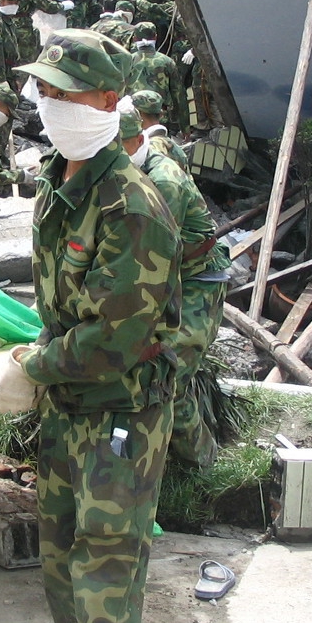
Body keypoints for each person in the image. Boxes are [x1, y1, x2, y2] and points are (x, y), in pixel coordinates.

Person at [0, 29, 181, 623]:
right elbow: (59, 309)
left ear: (107, 101)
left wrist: (37, 364)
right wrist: (36, 356)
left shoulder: (132, 205)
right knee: (60, 562)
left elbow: (118, 336)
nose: (49, 105)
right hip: (69, 412)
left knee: (106, 574)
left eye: (65, 93)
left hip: (119, 416)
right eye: (43, 92)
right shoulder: (57, 187)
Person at [120, 109, 230, 470]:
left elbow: (152, 258)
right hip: (169, 275)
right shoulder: (126, 171)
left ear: (138, 141)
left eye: (118, 146)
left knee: (170, 375)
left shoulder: (162, 181)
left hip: (197, 281)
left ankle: (202, 467)